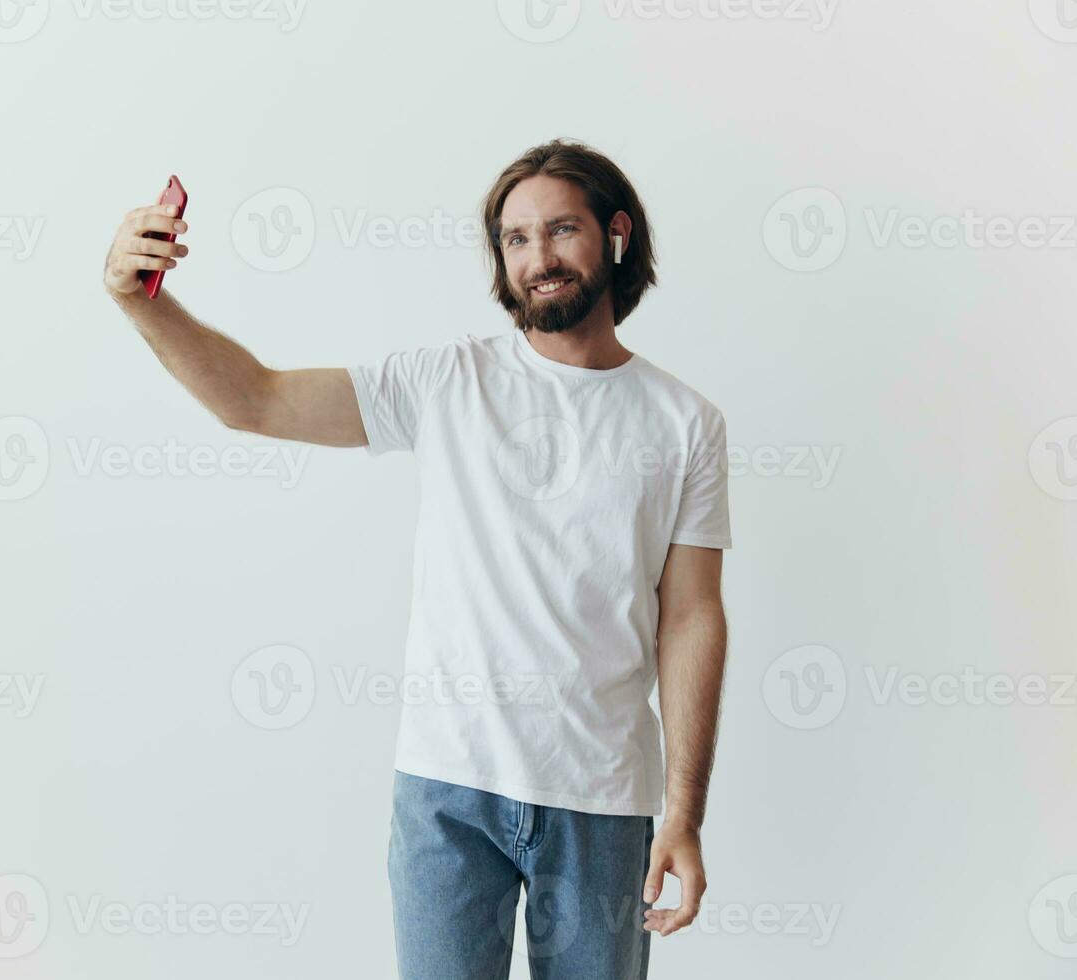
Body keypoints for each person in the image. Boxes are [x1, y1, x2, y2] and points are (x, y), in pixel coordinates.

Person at [103, 138, 731, 980]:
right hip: (447, 791)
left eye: (560, 231)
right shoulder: (446, 383)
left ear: (615, 234)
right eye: (514, 240)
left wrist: (683, 813)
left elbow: (692, 616)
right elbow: (254, 399)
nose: (538, 258)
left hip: (604, 802)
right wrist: (143, 305)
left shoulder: (686, 423)